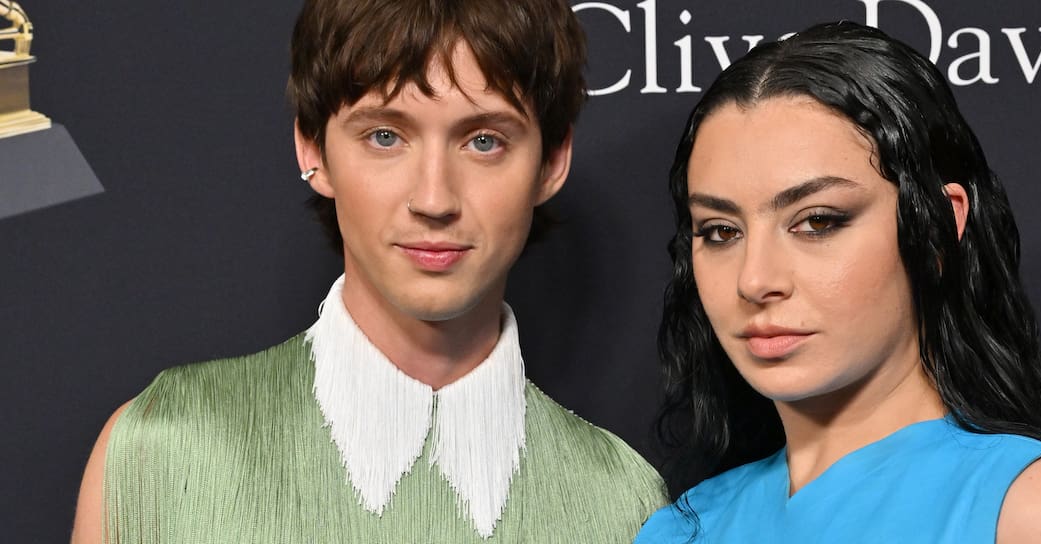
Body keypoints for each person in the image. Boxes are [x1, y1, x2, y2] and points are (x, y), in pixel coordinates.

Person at [71, 1, 666, 542]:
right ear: (313, 150)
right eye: (385, 136)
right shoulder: (160, 451)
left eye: (483, 141)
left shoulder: (624, 505)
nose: (434, 199)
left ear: (552, 162)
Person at [635, 22, 1041, 543]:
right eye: (721, 231)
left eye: (818, 221)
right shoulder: (681, 528)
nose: (755, 280)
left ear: (937, 228)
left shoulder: (1034, 515)